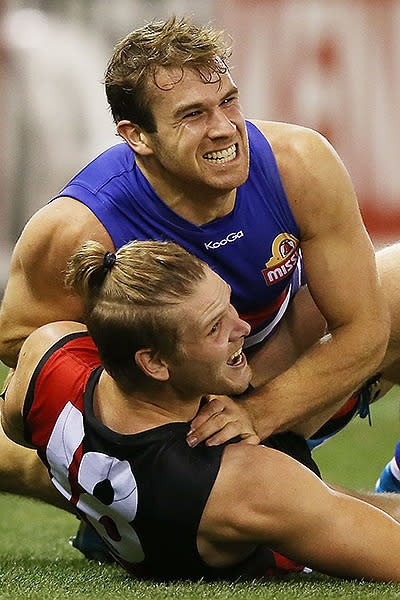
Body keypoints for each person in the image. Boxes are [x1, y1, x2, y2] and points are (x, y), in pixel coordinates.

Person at [0, 16, 399, 509]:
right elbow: (23, 341)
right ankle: (123, 493)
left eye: (228, 101)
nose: (224, 128)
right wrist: (166, 390)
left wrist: (257, 411)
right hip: (170, 404)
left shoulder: (300, 164)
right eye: (192, 115)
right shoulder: (78, 228)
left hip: (277, 362)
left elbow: (364, 329)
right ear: (138, 136)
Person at [3, 238, 400, 583]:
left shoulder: (48, 353)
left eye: (228, 304)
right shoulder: (244, 482)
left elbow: (17, 428)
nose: (242, 326)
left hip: (154, 508)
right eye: (214, 328)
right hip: (266, 521)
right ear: (153, 363)